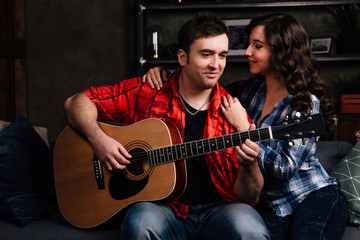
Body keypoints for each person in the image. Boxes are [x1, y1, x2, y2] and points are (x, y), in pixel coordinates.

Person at [63, 12, 269, 240]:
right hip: (163, 209)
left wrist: (250, 165)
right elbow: (76, 103)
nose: (216, 65)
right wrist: (98, 140)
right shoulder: (148, 91)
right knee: (140, 224)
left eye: (222, 55)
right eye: (206, 54)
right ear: (182, 57)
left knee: (252, 230)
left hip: (218, 209)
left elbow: (249, 197)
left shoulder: (234, 114)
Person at [143, 13, 348, 240]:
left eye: (257, 46)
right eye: (249, 44)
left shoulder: (305, 103)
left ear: (281, 51)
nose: (247, 52)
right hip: (270, 205)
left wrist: (246, 128)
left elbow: (285, 168)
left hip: (311, 196)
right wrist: (165, 74)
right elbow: (201, 84)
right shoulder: (247, 92)